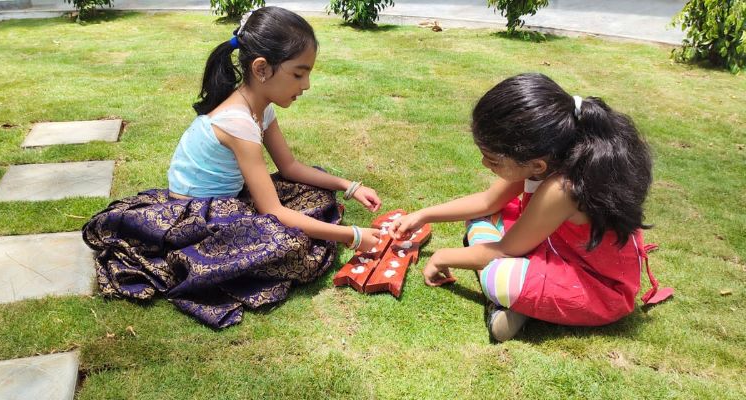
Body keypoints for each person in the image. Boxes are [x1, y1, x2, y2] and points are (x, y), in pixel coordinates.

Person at [83, 7, 381, 329]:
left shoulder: (260, 108)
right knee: (287, 244)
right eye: (298, 74)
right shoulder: (238, 123)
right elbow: (274, 212)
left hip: (230, 200)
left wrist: (350, 186)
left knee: (317, 190)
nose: (306, 84)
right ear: (261, 68)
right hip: (196, 218)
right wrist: (352, 236)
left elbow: (290, 166)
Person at [389, 73, 668, 342]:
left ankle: (520, 302)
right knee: (484, 215)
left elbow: (503, 250)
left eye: (493, 160)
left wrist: (442, 257)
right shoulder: (548, 156)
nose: (484, 165)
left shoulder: (562, 189)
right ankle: (525, 301)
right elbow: (487, 201)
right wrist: (422, 215)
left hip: (592, 284)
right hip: (552, 245)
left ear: (536, 165)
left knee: (498, 278)